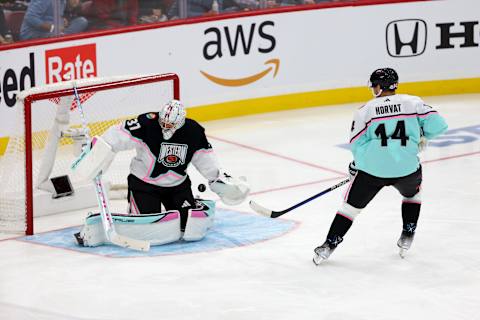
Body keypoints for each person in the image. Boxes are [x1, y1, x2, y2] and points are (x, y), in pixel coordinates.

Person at [313, 68, 448, 265]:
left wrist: (356, 165)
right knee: (412, 195)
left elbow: (357, 144)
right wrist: (423, 136)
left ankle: (328, 245)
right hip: (406, 169)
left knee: (349, 209)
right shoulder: (413, 103)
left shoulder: (365, 110)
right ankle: (408, 234)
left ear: (377, 87)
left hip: (372, 171)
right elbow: (439, 125)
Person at [74, 99, 249, 247]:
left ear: (180, 122)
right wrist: (98, 152)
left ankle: (188, 203)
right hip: (144, 184)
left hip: (177, 185)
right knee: (146, 226)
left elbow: (205, 160)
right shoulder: (146, 123)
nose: (165, 126)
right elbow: (116, 135)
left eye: (170, 124)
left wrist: (218, 180)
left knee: (189, 227)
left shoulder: (193, 131)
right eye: (163, 122)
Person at [19, 0, 88, 40]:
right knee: (57, 35)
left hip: (52, 32)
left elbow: (51, 16)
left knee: (81, 21)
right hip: (32, 34)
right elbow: (30, 17)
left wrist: (61, 20)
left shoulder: (63, 1)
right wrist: (53, 28)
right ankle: (62, 37)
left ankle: (62, 37)